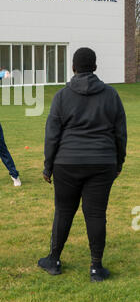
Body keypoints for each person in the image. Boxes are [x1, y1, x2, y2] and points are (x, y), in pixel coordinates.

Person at [38, 47, 127, 282]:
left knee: (64, 210)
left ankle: (54, 260)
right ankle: (96, 268)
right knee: (96, 214)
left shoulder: (61, 96)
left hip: (67, 163)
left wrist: (48, 167)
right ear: (95, 67)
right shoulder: (111, 95)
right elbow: (120, 133)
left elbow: (52, 136)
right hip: (102, 161)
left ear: (73, 68)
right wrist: (118, 161)